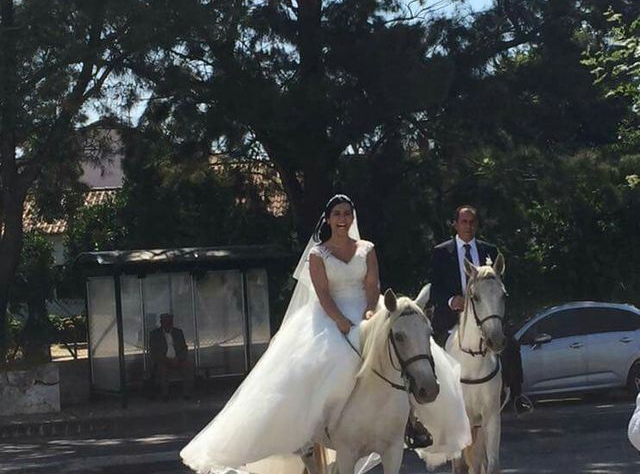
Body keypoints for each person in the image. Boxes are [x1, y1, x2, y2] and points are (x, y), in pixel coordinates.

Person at [180, 194, 469, 473]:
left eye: (346, 214)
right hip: (330, 316)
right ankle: (312, 425)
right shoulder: (319, 254)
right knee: (332, 361)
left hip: (368, 312)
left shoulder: (366, 248)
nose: (342, 219)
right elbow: (322, 293)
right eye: (337, 214)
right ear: (329, 219)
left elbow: (372, 285)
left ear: (352, 218)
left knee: (407, 351)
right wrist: (341, 321)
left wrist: (370, 312)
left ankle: (412, 421)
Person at [430, 205, 533, 415]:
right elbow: (435, 289)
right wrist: (451, 300)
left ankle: (517, 395)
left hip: (485, 316)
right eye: (464, 222)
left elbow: (498, 287)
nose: (468, 226)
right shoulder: (441, 252)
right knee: (430, 350)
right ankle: (429, 400)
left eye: (471, 222)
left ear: (476, 225)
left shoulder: (490, 251)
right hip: (452, 317)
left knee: (511, 345)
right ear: (455, 225)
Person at [149, 313, 194, 399]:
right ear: (161, 322)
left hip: (178, 359)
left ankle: (187, 394)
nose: (168, 324)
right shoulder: (155, 334)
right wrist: (167, 360)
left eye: (170, 322)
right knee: (162, 369)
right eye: (166, 322)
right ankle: (165, 395)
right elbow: (154, 351)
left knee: (188, 365)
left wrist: (178, 358)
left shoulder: (178, 332)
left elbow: (184, 348)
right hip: (163, 360)